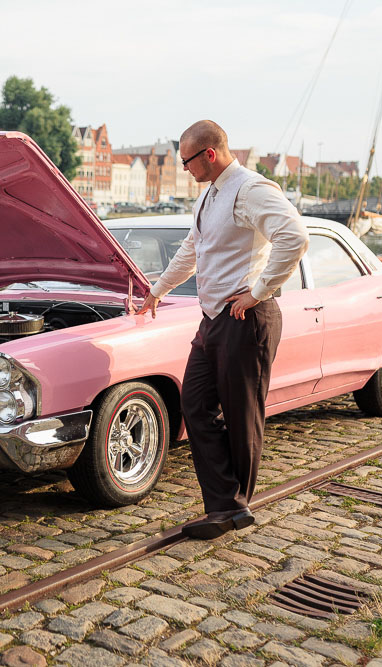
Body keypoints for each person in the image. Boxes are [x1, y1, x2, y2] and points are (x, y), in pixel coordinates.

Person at [137, 121, 308, 540]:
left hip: (246, 318)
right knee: (193, 404)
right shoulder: (209, 197)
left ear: (208, 154)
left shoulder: (250, 189)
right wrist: (157, 291)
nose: (184, 169)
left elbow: (294, 237)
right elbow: (191, 251)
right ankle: (228, 504)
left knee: (241, 413)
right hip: (213, 319)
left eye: (186, 161)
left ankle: (231, 507)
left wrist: (259, 291)